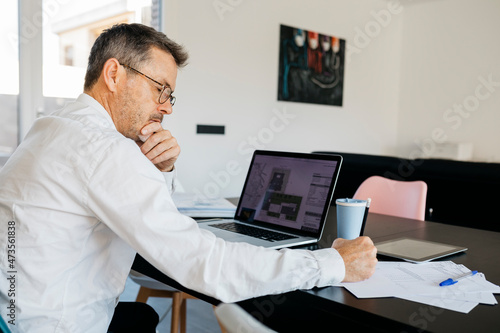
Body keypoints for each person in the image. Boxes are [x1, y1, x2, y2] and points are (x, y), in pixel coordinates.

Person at [0, 23, 377, 332]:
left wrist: (159, 172)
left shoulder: (49, 128)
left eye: (171, 96)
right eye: (159, 89)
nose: (166, 106)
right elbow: (203, 264)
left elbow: (132, 213)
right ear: (113, 74)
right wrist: (333, 263)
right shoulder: (105, 149)